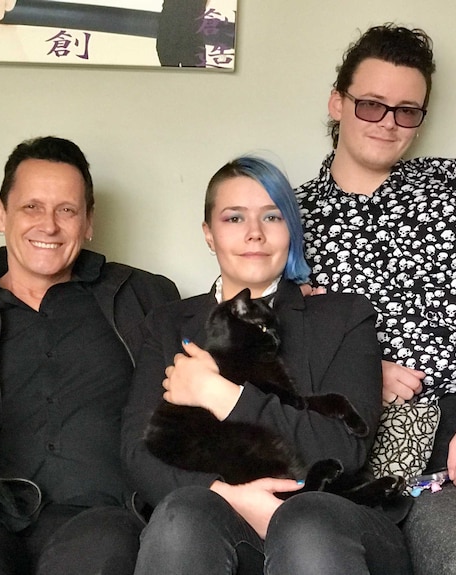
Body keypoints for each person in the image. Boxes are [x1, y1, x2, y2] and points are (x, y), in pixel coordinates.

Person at [0, 136, 179, 575]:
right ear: (1, 214)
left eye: (66, 210)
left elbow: (211, 348)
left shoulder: (144, 298)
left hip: (103, 516)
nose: (48, 225)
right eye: (31, 207)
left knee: (96, 557)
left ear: (88, 222)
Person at [122, 155, 411, 575]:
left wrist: (220, 395)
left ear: (291, 230)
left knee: (306, 522)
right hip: (210, 521)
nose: (254, 234)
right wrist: (228, 495)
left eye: (272, 217)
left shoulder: (345, 316)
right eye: (234, 218)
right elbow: (136, 451)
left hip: (331, 520)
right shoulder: (167, 324)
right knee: (183, 513)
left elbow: (341, 448)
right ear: (208, 233)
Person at [296, 24, 456, 492]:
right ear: (337, 103)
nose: (388, 122)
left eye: (406, 111)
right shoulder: (284, 219)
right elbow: (268, 341)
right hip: (368, 432)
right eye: (371, 104)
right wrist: (359, 374)